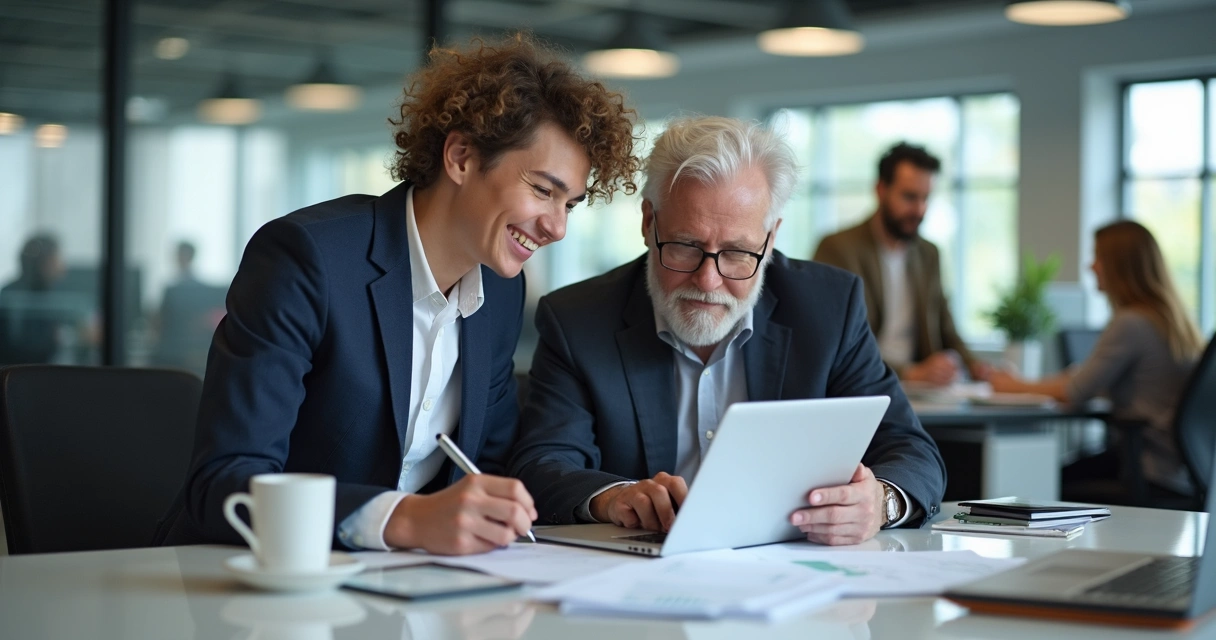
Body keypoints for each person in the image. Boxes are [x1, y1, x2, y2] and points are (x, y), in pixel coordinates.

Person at [157, 35, 640, 555]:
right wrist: (405, 520)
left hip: (400, 588)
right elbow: (224, 482)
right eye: (543, 190)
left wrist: (604, 497)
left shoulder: (500, 293)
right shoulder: (308, 259)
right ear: (461, 157)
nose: (557, 227)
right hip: (247, 579)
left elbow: (489, 467)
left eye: (571, 203)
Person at [509, 117, 945, 546]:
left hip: (791, 583)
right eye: (685, 246)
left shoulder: (829, 308)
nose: (708, 281)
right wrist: (612, 498)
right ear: (648, 223)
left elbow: (911, 450)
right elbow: (544, 464)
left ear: (770, 239)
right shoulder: (578, 320)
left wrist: (880, 502)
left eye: (737, 253)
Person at [986, 220, 1205, 496]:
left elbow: (1073, 392)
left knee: (1041, 483)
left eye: (1098, 258)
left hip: (1147, 469)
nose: (1092, 267)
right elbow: (1094, 383)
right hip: (1180, 470)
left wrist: (1013, 385)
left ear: (1120, 266)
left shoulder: (1131, 323)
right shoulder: (1172, 321)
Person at [813, 143, 987, 385]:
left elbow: (946, 328)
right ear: (881, 190)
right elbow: (832, 340)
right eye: (909, 197)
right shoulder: (838, 248)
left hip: (923, 391)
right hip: (861, 384)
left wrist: (979, 368)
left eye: (925, 198)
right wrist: (910, 372)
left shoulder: (928, 254)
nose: (919, 209)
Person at [151, 241, 226, 377]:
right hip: (180, 348)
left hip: (176, 350)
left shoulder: (175, 291)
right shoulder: (175, 288)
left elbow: (159, 322)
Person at [0, 234, 68, 364]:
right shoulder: (15, 295)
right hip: (22, 372)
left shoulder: (52, 294)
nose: (62, 266)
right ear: (44, 263)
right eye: (57, 259)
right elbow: (20, 346)